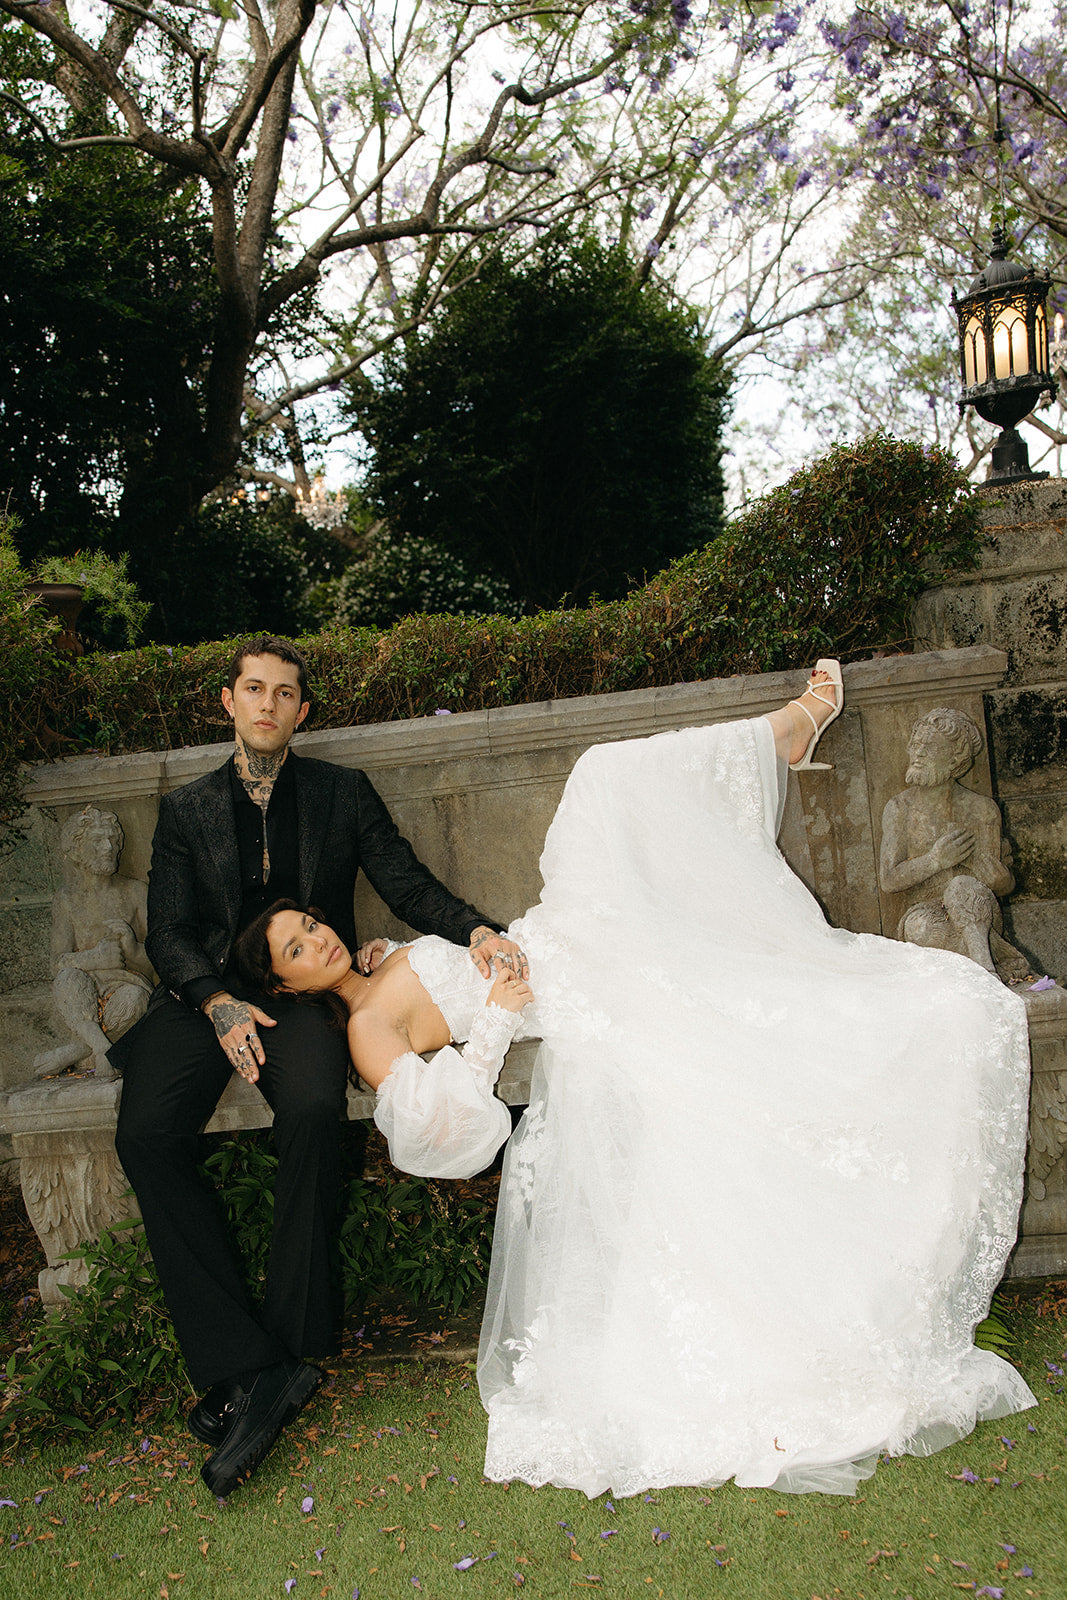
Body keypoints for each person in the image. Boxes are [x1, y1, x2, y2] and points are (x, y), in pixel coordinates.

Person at [237, 662, 1036, 1500]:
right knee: (604, 779)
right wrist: (503, 1014)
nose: (317, 941)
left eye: (311, 925)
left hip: (565, 935)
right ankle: (788, 730)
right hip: (577, 983)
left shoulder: (380, 961)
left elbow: (416, 966)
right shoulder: (366, 1034)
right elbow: (437, 1132)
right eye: (296, 950)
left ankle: (782, 735)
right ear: (285, 988)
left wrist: (415, 955)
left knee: (608, 784)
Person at [111, 636, 525, 1499]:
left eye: (284, 693)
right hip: (207, 998)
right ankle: (246, 1363)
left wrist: (478, 928)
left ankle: (292, 1344)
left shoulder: (341, 793)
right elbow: (168, 930)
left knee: (307, 1107)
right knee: (146, 1132)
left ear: (302, 710)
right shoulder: (187, 811)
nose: (267, 704)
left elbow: (405, 883)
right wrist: (215, 1002)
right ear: (228, 702)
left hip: (300, 1000)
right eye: (252, 690)